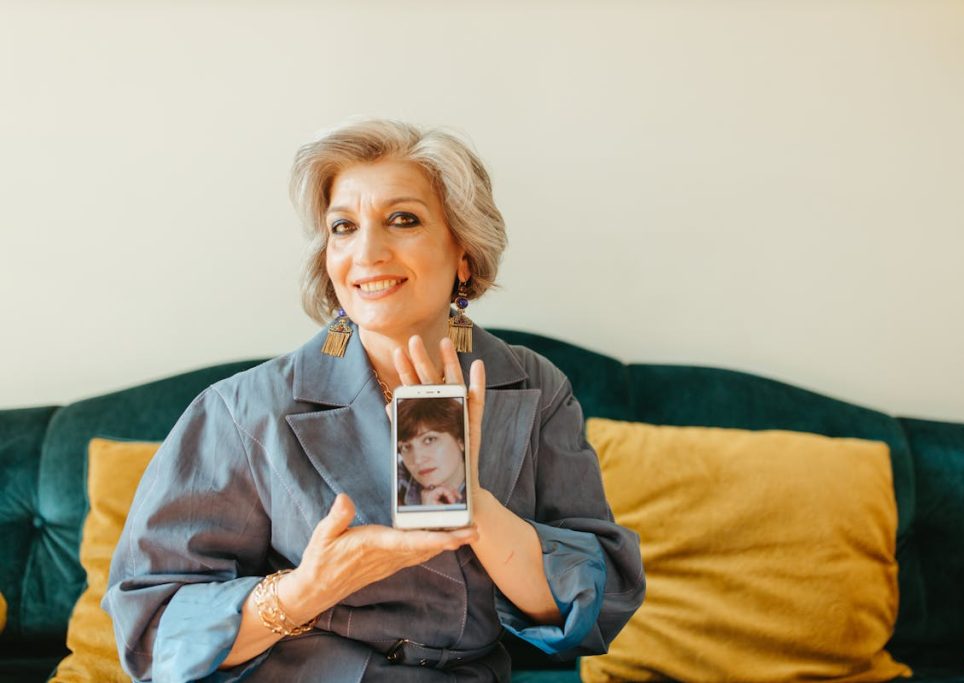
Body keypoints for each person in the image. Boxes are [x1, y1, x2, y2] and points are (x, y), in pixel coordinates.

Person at [103, 119, 645, 682]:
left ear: (464, 252)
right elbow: (153, 631)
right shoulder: (244, 410)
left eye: (402, 219)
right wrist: (305, 591)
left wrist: (467, 505)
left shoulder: (533, 386)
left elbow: (596, 606)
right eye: (343, 226)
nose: (367, 251)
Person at [396, 397, 467, 507]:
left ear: (460, 441)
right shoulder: (395, 482)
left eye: (429, 440)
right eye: (406, 447)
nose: (417, 460)